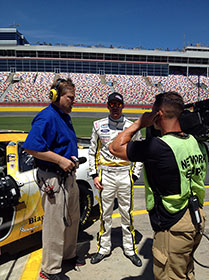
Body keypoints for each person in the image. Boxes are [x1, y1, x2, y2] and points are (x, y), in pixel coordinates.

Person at [109, 91, 208, 280]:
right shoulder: (195, 142)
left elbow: (115, 147)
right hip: (195, 218)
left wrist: (140, 123)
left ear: (158, 114)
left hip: (173, 225)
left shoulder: (158, 147)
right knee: (186, 272)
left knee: (169, 275)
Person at [23, 78, 84, 280]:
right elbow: (31, 147)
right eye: (70, 98)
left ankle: (67, 255)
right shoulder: (46, 117)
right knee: (54, 224)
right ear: (56, 96)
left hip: (68, 176)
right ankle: (50, 269)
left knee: (71, 219)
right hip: (53, 179)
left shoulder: (63, 115)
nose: (74, 101)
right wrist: (59, 160)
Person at [89, 92, 143, 267]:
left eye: (118, 104)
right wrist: (94, 174)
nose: (115, 108)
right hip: (106, 175)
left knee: (127, 213)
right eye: (112, 104)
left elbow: (139, 153)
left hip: (125, 173)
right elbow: (92, 152)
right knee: (105, 214)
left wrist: (135, 174)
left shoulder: (132, 127)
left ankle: (130, 249)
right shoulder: (98, 125)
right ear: (107, 106)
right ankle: (104, 249)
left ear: (123, 106)